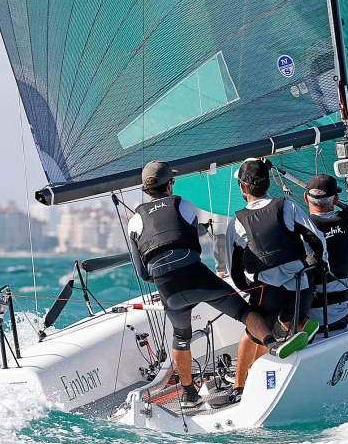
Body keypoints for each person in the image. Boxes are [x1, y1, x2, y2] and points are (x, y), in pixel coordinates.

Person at [127, 160, 305, 409]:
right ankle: (273, 346)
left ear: (146, 190)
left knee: (181, 337)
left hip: (169, 290)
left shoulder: (133, 222)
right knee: (246, 313)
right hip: (198, 278)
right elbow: (195, 249)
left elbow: (143, 274)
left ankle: (189, 395)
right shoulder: (185, 205)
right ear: (170, 185)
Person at [225, 158, 326, 403]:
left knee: (253, 330)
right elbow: (316, 238)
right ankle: (302, 325)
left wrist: (246, 288)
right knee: (292, 316)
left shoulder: (236, 221)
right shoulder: (287, 207)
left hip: (266, 288)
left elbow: (233, 268)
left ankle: (239, 386)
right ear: (269, 183)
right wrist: (317, 264)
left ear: (242, 188)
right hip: (299, 283)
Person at [303, 174, 348, 332]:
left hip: (310, 321)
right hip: (342, 318)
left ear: (306, 198)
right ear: (336, 200)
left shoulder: (300, 228)